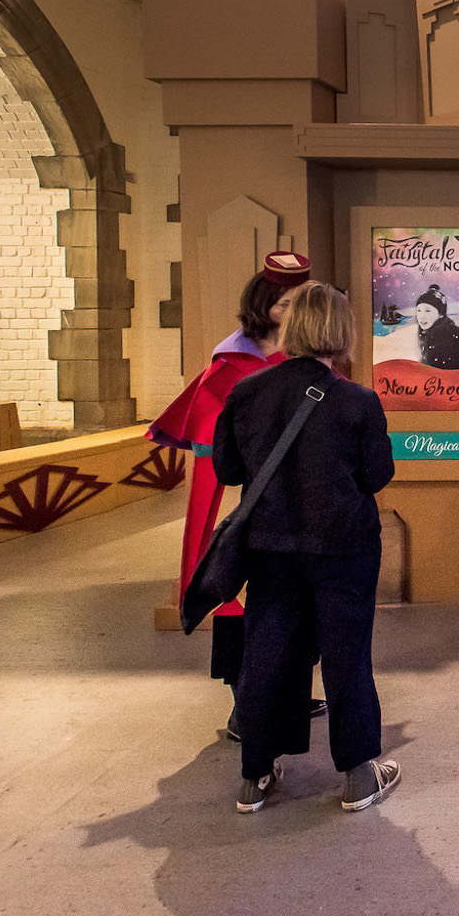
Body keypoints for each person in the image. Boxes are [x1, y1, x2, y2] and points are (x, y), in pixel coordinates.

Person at [212, 283, 400, 815]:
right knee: (346, 656)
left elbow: (227, 469)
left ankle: (256, 775)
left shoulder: (248, 392)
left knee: (268, 653)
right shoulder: (356, 400)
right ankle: (360, 776)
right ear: (340, 332)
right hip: (343, 548)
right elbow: (377, 474)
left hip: (270, 548)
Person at [148, 249, 325, 734]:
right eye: (285, 303)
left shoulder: (312, 362)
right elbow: (212, 451)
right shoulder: (228, 364)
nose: (291, 313)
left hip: (296, 505)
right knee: (237, 601)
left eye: (300, 304)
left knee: (296, 600)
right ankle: (243, 709)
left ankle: (290, 695)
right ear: (265, 302)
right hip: (245, 502)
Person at [414, 287, 459, 370]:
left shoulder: (442, 336)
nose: (421, 316)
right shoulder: (429, 333)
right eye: (419, 311)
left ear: (441, 314)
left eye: (427, 311)